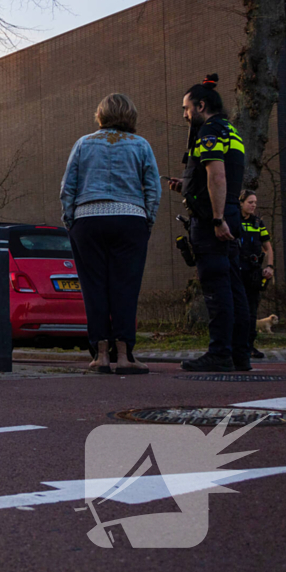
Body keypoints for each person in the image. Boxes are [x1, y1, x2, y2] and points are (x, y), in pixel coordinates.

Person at [61, 93, 160, 374]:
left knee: (94, 288)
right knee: (126, 287)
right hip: (130, 219)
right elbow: (153, 188)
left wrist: (71, 220)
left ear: (100, 115)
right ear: (131, 115)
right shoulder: (140, 145)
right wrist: (147, 221)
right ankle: (125, 355)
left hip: (88, 221)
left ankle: (100, 355)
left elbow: (68, 187)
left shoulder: (83, 144)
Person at [167, 74, 251, 372]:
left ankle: (219, 353)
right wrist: (187, 185)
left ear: (201, 105)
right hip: (228, 215)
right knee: (233, 286)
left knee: (217, 288)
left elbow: (217, 175)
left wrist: (216, 219)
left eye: (186, 108)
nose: (185, 114)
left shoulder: (209, 132)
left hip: (213, 221)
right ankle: (240, 353)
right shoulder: (232, 131)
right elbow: (216, 174)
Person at [239, 190, 274, 358]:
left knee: (252, 311)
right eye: (250, 202)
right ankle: (236, 345)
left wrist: (270, 267)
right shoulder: (234, 221)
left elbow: (268, 247)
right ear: (241, 203)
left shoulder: (258, 223)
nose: (253, 205)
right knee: (238, 310)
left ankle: (249, 346)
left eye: (255, 202)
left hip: (254, 272)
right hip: (237, 271)